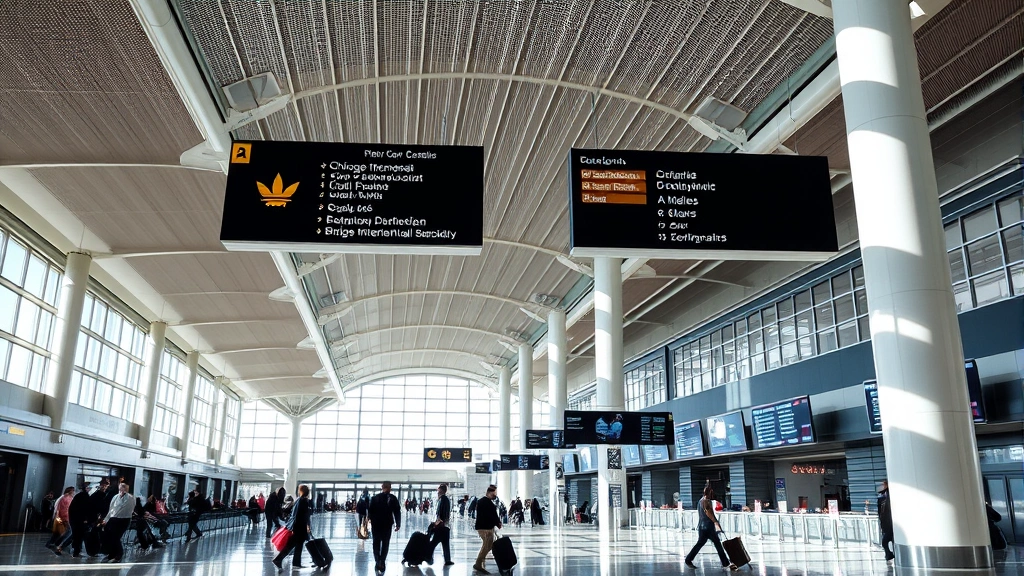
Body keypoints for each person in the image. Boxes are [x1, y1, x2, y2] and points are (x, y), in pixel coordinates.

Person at [683, 483, 737, 571]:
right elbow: (709, 512)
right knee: (717, 544)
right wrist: (716, 522)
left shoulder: (700, 501)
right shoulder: (706, 501)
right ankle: (726, 563)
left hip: (701, 526)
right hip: (708, 526)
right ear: (710, 492)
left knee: (700, 543)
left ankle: (688, 559)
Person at [272, 484, 312, 571]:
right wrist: (306, 526)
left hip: (297, 527)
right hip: (299, 527)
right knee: (292, 545)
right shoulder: (304, 501)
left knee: (296, 545)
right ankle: (279, 560)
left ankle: (295, 563)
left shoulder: (298, 500)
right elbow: (302, 516)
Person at [368, 481, 401, 574]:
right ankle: (382, 561)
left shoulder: (375, 498)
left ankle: (378, 561)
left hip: (376, 524)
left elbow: (370, 512)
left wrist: (370, 520)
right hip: (387, 524)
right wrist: (398, 524)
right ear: (390, 488)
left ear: (382, 487)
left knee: (376, 543)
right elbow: (397, 512)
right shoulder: (393, 498)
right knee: (385, 544)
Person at [99, 483, 134, 563]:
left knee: (116, 537)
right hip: (114, 519)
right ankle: (111, 553)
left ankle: (118, 554)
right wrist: (106, 519)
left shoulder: (130, 498)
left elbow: (125, 509)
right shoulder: (115, 497)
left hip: (124, 519)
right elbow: (111, 509)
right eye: (120, 488)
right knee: (109, 536)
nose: (121, 490)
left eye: (123, 488)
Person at [473, 484, 502, 574]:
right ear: (489, 492)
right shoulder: (487, 502)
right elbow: (491, 515)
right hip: (486, 528)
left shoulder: (482, 501)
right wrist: (497, 523)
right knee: (488, 546)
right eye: (494, 493)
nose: (495, 495)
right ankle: (478, 563)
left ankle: (481, 562)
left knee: (486, 545)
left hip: (483, 527)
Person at [428, 484, 455, 566]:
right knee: (445, 543)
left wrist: (439, 522)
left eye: (438, 490)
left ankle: (428, 557)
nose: (437, 492)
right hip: (444, 526)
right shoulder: (443, 499)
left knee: (434, 543)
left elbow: (442, 513)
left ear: (442, 490)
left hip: (441, 525)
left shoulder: (443, 499)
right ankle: (447, 560)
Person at [45, 487, 75, 555]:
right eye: (73, 491)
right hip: (64, 518)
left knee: (57, 533)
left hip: (60, 518)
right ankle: (58, 544)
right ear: (70, 491)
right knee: (69, 531)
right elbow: (66, 510)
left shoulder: (63, 498)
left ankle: (51, 544)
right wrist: (67, 518)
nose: (74, 492)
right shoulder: (67, 498)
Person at [67, 483, 93, 558]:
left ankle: (76, 551)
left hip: (74, 520)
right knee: (81, 536)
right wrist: (86, 519)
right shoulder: (86, 497)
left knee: (76, 536)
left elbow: (72, 509)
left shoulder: (78, 496)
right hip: (81, 521)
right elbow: (86, 509)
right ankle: (83, 551)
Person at [878, 480, 894, 564]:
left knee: (885, 541)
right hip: (886, 523)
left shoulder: (888, 496)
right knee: (885, 541)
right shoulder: (883, 496)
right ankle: (889, 554)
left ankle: (889, 554)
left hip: (889, 524)